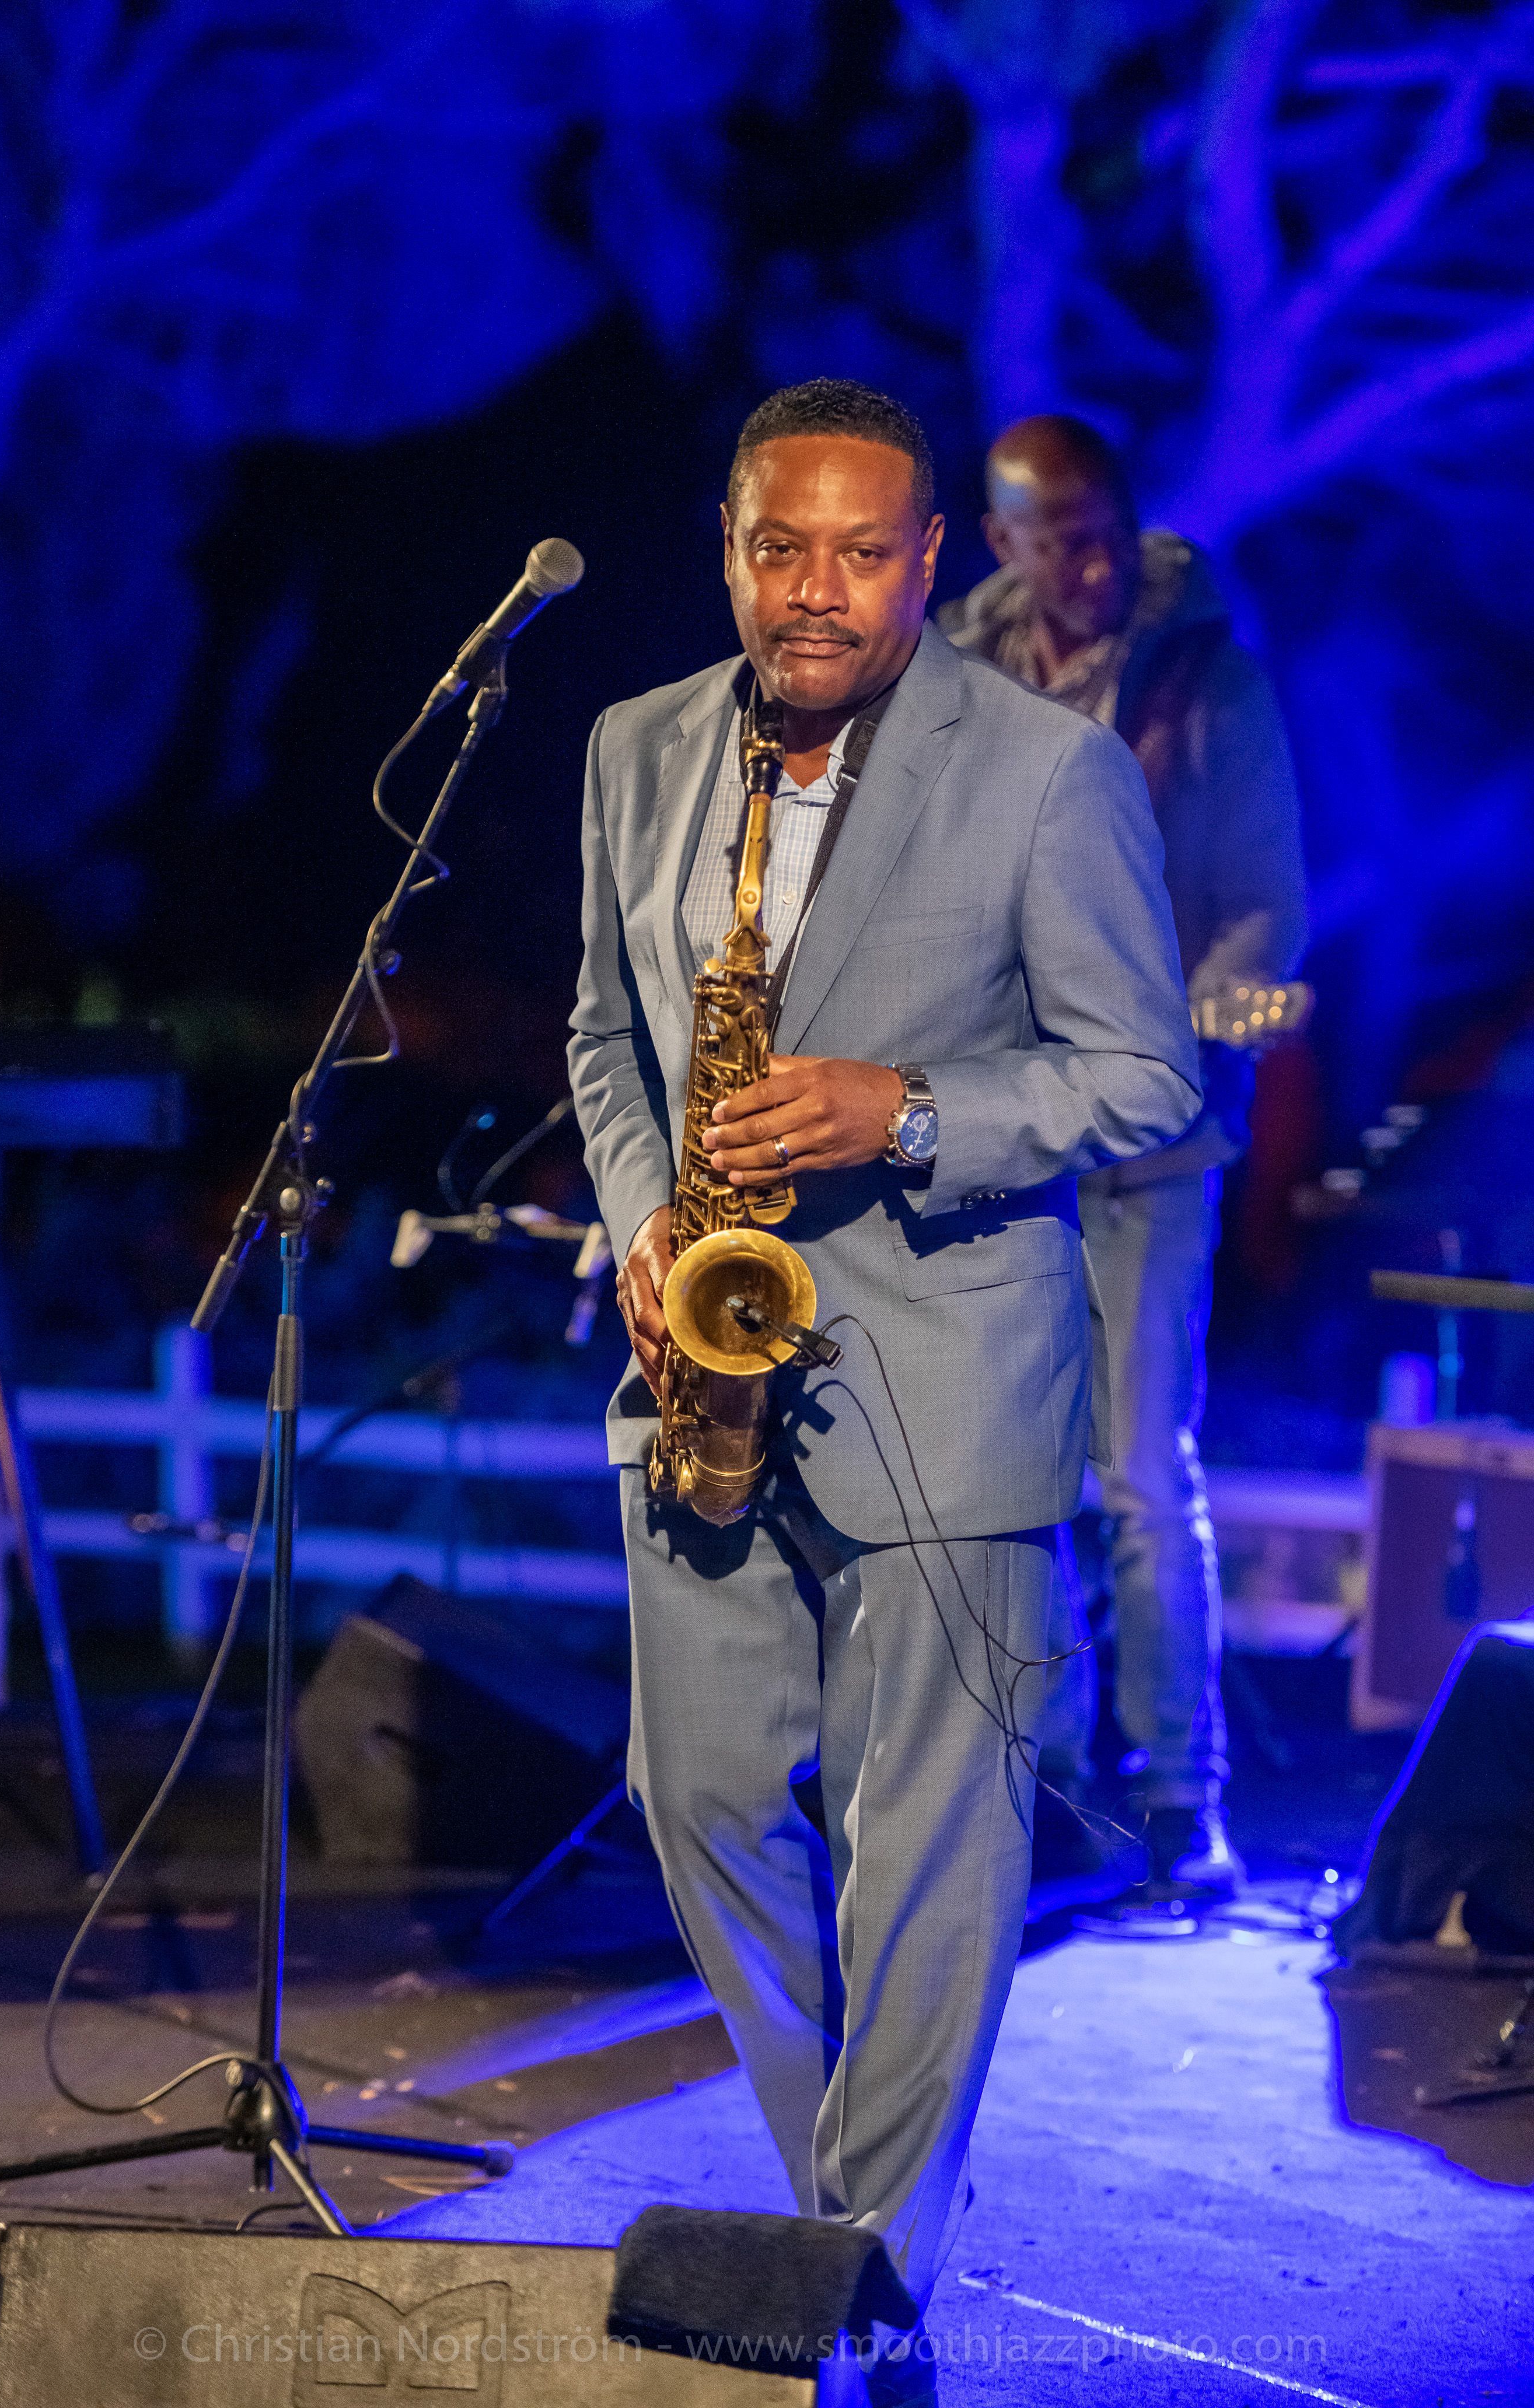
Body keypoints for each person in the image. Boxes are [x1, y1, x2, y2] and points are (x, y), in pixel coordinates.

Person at [567, 377, 1199, 2385]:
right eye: (781, 549)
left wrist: (904, 1109)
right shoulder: (635, 746)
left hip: (947, 1377)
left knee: (930, 1857)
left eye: (861, 553)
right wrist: (645, 1227)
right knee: (694, 1798)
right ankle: (848, 2213)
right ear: (729, 549)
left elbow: (1147, 1075)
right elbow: (605, 1038)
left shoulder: (1049, 771)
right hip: (701, 1361)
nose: (817, 592)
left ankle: (861, 2267)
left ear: (930, 562)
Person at [938, 414, 1309, 1906]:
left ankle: (1176, 1795)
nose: (1089, 567)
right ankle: (1048, 1784)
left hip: (1150, 1139)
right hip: (1003, 1133)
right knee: (1017, 1474)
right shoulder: (947, 677)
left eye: (1104, 535)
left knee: (1143, 1474)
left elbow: (1264, 901)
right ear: (1002, 543)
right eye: (1057, 542)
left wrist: (1219, 1009)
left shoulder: (1208, 677)